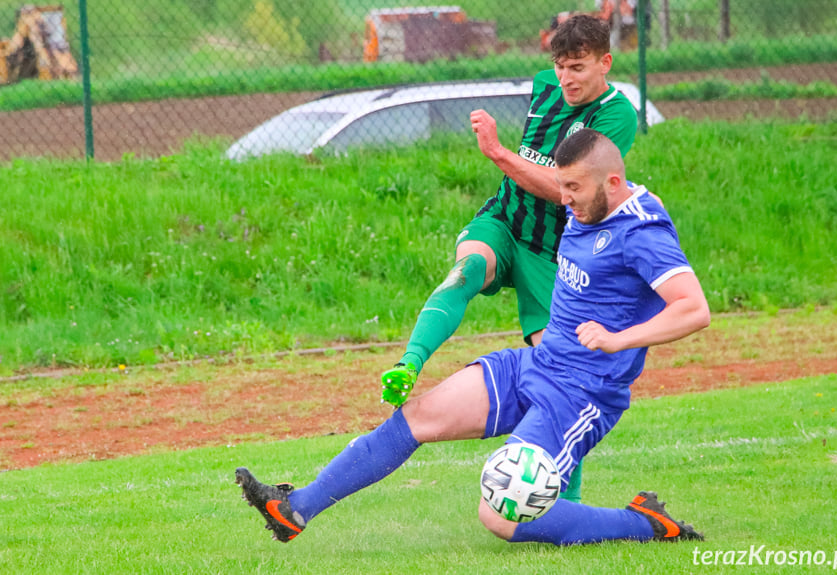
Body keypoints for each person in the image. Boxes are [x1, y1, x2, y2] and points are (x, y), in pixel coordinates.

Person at [235, 129, 710, 547]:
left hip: (580, 394)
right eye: (561, 185)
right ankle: (295, 509)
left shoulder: (641, 232)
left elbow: (694, 309)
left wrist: (617, 339)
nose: (563, 198)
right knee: (418, 416)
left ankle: (643, 524)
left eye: (573, 188)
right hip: (537, 365)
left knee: (500, 517)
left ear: (611, 182)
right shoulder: (597, 204)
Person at [381, 13, 638, 504]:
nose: (566, 78)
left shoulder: (616, 116)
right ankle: (408, 364)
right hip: (503, 220)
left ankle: (566, 505)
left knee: (563, 380)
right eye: (561, 66)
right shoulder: (546, 88)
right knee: (466, 271)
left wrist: (498, 153)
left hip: (551, 251)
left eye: (579, 67)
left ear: (605, 62)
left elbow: (567, 191)